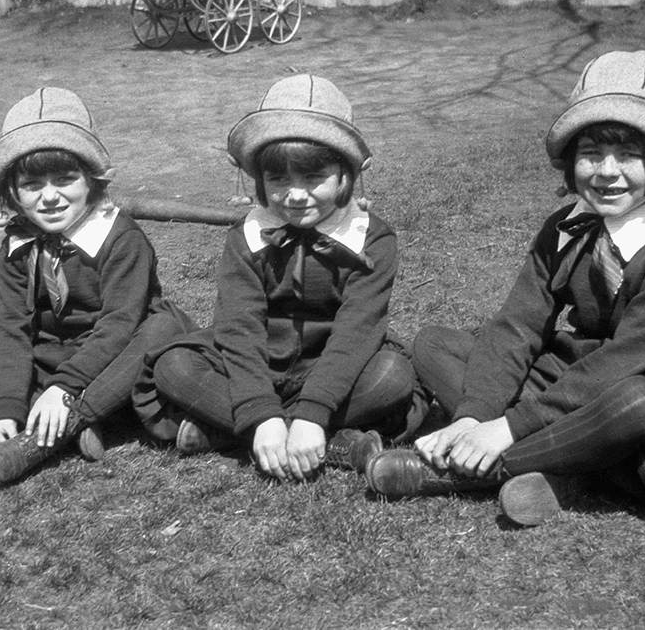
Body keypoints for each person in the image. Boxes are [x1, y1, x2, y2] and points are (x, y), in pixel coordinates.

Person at [365, 50, 645, 526]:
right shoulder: (566, 228)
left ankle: (472, 471)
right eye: (591, 154)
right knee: (435, 345)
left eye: (629, 155)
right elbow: (519, 324)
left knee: (638, 402)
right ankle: (566, 463)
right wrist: (473, 416)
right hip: (582, 374)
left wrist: (507, 428)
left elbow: (622, 362)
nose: (607, 171)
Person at [132, 74, 428, 481]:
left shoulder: (372, 239)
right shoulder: (246, 236)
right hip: (257, 366)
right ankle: (318, 439)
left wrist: (313, 411)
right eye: (279, 179)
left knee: (392, 376)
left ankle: (236, 431)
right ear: (260, 180)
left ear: (345, 175)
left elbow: (357, 331)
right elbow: (239, 328)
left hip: (334, 367)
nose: (295, 195)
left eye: (313, 177)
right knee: (174, 367)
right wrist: (261, 413)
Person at [0, 87, 194, 486]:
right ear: (13, 192)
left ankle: (72, 419)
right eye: (32, 185)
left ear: (92, 180)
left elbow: (119, 325)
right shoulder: (18, 245)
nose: (50, 197)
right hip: (52, 353)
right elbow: (9, 326)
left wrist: (64, 389)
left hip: (115, 353)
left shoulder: (122, 239)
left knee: (165, 327)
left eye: (65, 179)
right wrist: (5, 407)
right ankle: (56, 413)